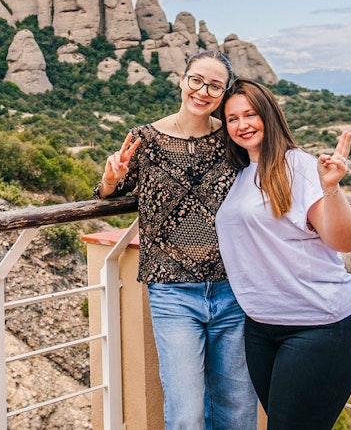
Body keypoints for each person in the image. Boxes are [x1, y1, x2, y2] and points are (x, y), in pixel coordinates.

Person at [95, 50, 258, 430]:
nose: (203, 91)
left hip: (232, 289)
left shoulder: (232, 139)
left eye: (215, 86)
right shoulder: (144, 139)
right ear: (181, 80)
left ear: (223, 94)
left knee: (237, 409)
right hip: (172, 293)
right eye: (196, 80)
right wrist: (110, 178)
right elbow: (110, 193)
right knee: (185, 413)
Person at [216, 78, 351, 430]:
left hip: (319, 326)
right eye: (233, 119)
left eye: (251, 114)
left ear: (269, 115)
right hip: (262, 329)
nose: (242, 125)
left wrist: (331, 189)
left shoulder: (299, 166)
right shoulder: (240, 174)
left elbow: (343, 240)